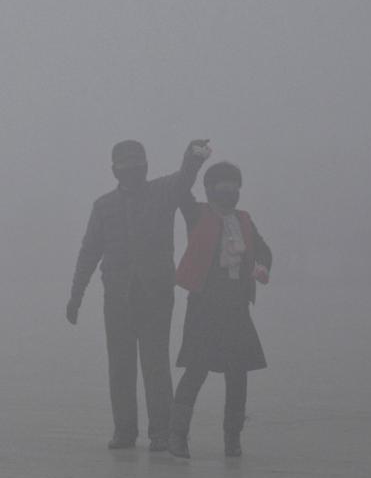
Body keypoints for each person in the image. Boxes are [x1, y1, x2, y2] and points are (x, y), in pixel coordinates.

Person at [68, 139, 212, 451]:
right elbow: (89, 252)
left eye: (137, 167)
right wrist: (76, 295)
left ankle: (160, 432)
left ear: (145, 167)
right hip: (117, 297)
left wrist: (193, 157)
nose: (133, 173)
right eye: (126, 168)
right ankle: (124, 430)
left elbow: (184, 177)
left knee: (155, 364)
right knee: (120, 367)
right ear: (115, 171)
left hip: (155, 294)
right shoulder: (103, 206)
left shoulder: (163, 192)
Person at [169, 161, 272, 458]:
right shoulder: (197, 214)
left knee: (238, 375)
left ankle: (232, 438)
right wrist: (192, 160)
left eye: (234, 186)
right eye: (222, 185)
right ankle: (177, 436)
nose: (229, 191)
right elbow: (180, 189)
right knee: (196, 371)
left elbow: (264, 251)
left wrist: (261, 267)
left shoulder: (244, 220)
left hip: (237, 309)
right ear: (210, 189)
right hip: (204, 307)